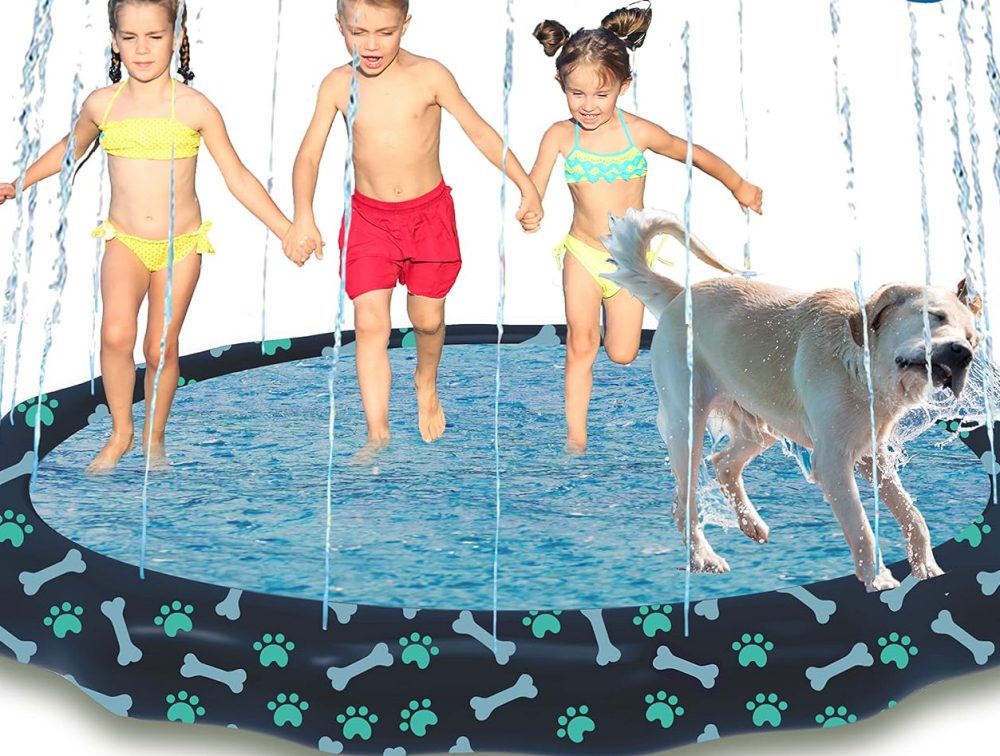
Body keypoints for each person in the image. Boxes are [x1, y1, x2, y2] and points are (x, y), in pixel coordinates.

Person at [0, 0, 298, 473]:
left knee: (159, 347)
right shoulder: (102, 104)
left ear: (178, 38)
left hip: (181, 246)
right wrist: (20, 183)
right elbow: (68, 148)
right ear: (115, 41)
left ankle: (153, 441)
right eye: (131, 38)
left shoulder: (196, 108)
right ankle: (121, 431)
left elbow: (237, 176)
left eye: (155, 37)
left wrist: (286, 228)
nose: (142, 49)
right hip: (125, 241)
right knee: (116, 333)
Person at [284, 0, 543, 460]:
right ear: (339, 25)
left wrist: (526, 186)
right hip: (368, 220)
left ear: (406, 24)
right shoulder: (337, 85)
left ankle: (426, 380)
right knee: (370, 324)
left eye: (385, 32)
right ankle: (377, 433)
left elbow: (480, 131)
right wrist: (303, 214)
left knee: (427, 320)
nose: (371, 45)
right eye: (358, 32)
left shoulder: (430, 76)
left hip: (428, 219)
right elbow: (308, 154)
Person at [529, 4, 764, 453]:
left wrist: (739, 185)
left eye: (600, 94)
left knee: (621, 352)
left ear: (624, 86)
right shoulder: (560, 135)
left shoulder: (638, 132)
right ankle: (575, 441)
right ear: (560, 85)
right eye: (576, 93)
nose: (588, 105)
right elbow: (535, 180)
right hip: (582, 253)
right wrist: (530, 206)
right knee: (581, 344)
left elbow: (692, 152)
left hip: (629, 260)